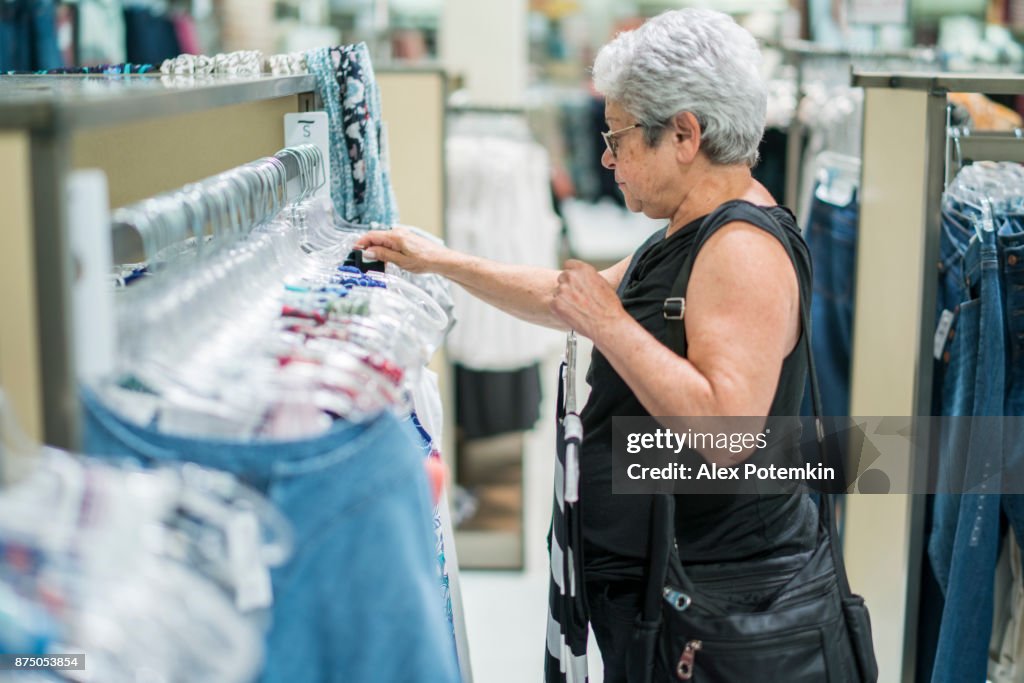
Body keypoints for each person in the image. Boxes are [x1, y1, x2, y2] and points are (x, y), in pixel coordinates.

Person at [354, 8, 821, 681]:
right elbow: (564, 295)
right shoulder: (688, 234)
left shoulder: (741, 250)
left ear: (684, 134)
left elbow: (727, 429)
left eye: (620, 136)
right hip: (669, 597)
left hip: (718, 619)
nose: (606, 157)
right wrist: (441, 261)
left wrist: (610, 325)